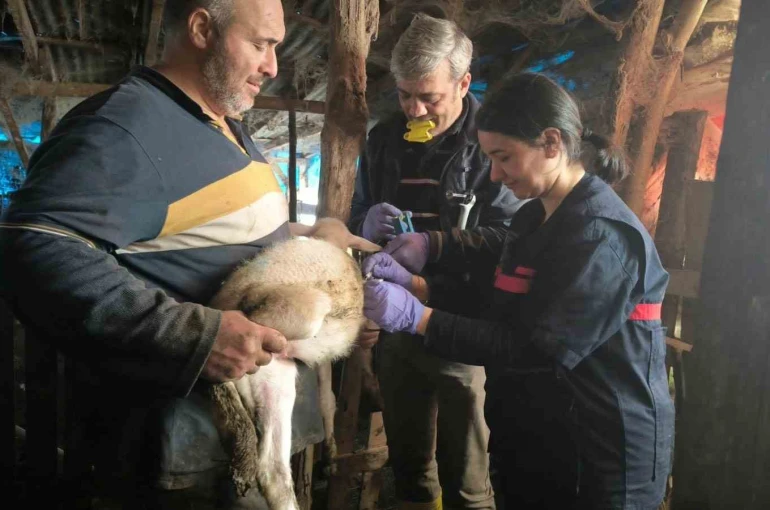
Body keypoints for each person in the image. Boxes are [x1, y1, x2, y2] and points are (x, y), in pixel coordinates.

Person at [0, 0, 324, 508]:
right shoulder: (127, 126)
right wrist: (193, 335)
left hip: (245, 438)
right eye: (260, 44)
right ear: (201, 29)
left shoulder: (218, 119)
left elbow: (208, 225)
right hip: (182, 452)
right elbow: (33, 245)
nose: (273, 66)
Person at [362, 72, 674, 509]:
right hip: (538, 439)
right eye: (490, 158)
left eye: (504, 157)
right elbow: (499, 306)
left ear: (551, 144)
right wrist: (419, 287)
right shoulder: (534, 219)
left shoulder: (602, 237)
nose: (495, 174)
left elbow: (535, 352)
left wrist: (420, 318)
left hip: (597, 453)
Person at [348, 13, 523, 510]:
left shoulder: (491, 144)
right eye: (405, 95)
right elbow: (358, 209)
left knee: (468, 479)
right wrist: (365, 224)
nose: (415, 109)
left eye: (431, 97)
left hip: (463, 327)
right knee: (410, 470)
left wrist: (434, 245)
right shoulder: (384, 139)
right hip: (398, 326)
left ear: (464, 83)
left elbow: (511, 235)